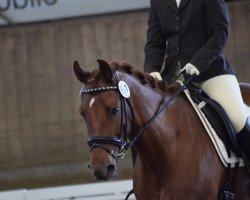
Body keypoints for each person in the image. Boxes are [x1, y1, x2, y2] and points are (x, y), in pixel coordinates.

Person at [144, 0, 250, 166]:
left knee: (237, 118)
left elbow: (219, 32)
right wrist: (152, 69)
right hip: (174, 76)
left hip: (211, 72)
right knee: (146, 122)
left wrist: (198, 62)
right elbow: (154, 42)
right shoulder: (158, 2)